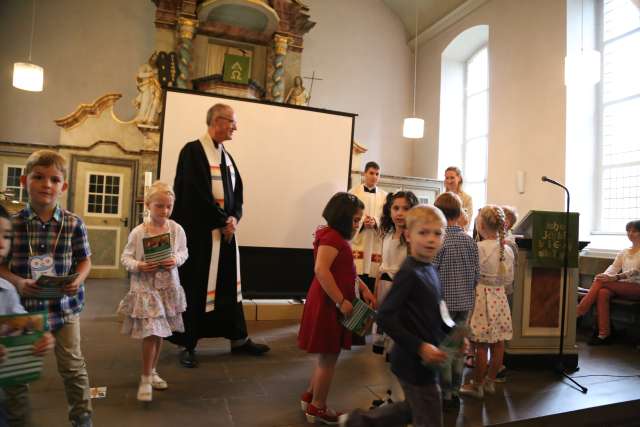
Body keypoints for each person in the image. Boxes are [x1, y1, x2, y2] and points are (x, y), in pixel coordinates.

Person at [167, 103, 269, 368]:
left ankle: (238, 339)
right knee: (196, 288)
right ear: (218, 121)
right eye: (232, 122)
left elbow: (238, 194)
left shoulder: (226, 156)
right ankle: (188, 343)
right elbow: (193, 194)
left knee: (228, 288)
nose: (236, 127)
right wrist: (223, 220)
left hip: (224, 237)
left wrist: (234, 218)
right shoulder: (193, 152)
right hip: (201, 239)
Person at [0, 150, 93, 426]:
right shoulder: (12, 225)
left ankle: (82, 417)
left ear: (63, 186)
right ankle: (17, 420)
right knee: (17, 369)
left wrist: (78, 279)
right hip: (23, 311)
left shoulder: (74, 223)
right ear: (24, 181)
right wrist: (18, 282)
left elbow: (85, 260)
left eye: (54, 179)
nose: (46, 185)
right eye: (39, 177)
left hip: (64, 309)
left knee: (73, 367)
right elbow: (1, 266)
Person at [343, 205, 449, 427]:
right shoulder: (409, 272)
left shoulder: (430, 268)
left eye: (437, 233)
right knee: (429, 417)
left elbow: (436, 310)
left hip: (427, 361)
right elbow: (385, 317)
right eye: (423, 232)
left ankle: (359, 421)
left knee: (411, 409)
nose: (431, 239)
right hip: (413, 361)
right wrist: (420, 347)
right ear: (408, 235)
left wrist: (454, 333)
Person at [297, 192, 376, 425]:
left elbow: (345, 270)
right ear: (341, 217)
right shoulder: (333, 238)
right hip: (330, 304)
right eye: (354, 220)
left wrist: (362, 288)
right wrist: (341, 300)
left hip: (331, 302)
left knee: (326, 355)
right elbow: (322, 270)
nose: (358, 224)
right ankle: (318, 407)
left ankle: (311, 395)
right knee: (329, 357)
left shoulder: (333, 236)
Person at [117, 181, 188, 402]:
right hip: (145, 289)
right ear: (148, 205)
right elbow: (125, 257)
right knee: (151, 333)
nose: (165, 211)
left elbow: (184, 252)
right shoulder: (139, 232)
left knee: (158, 333)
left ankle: (152, 371)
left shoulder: (176, 229)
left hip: (167, 288)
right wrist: (138, 265)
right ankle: (146, 377)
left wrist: (174, 260)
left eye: (169, 206)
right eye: (160, 206)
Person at [0, 204, 55, 427]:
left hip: (9, 391)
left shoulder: (7, 290)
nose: (2, 244)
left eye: (6, 236)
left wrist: (40, 337)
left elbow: (23, 325)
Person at [460, 206, 514, 399]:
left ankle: (477, 384)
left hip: (481, 297)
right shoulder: (507, 249)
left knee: (481, 345)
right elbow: (509, 280)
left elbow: (471, 276)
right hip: (500, 297)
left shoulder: (478, 247)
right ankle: (491, 381)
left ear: (480, 225)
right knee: (498, 343)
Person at [433, 192, 479, 409]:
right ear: (460, 213)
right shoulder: (470, 241)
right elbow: (476, 274)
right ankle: (455, 392)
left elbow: (431, 273)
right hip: (464, 304)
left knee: (444, 349)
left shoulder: (439, 241)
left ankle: (445, 395)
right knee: (459, 349)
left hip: (443, 306)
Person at [577, 220, 640, 345]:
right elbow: (613, 267)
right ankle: (604, 334)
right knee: (603, 292)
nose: (630, 233)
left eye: (634, 231)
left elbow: (636, 271)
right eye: (628, 231)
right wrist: (605, 275)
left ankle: (580, 310)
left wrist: (615, 278)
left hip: (637, 287)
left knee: (601, 283)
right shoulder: (624, 252)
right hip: (623, 286)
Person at [371, 190, 419, 355]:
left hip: (402, 287)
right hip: (385, 285)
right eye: (396, 208)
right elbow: (382, 264)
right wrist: (376, 289)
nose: (400, 213)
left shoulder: (412, 237)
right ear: (389, 211)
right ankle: (383, 345)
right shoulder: (386, 234)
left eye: (405, 209)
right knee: (385, 318)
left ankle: (396, 351)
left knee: (399, 322)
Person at [350, 162, 388, 292]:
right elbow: (347, 218)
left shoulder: (385, 197)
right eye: (371, 173)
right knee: (355, 285)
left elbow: (387, 220)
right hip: (359, 242)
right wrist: (361, 223)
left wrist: (376, 222)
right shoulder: (353, 193)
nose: (374, 177)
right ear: (364, 174)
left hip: (375, 245)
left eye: (377, 174)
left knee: (372, 288)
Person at [133, 52, 162, 125]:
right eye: (153, 57)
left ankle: (150, 120)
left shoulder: (157, 69)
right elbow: (140, 74)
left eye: (156, 59)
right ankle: (141, 118)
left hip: (154, 88)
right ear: (151, 57)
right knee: (145, 103)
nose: (154, 59)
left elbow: (157, 79)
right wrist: (150, 74)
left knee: (153, 104)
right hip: (146, 87)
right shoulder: (145, 66)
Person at [443, 167, 473, 232]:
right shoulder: (440, 198)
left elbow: (467, 222)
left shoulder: (467, 199)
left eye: (452, 178)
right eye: (447, 178)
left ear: (459, 178)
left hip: (459, 235)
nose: (449, 181)